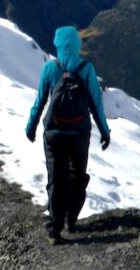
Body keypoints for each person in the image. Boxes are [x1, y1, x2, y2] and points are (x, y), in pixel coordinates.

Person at [24, 25, 111, 240]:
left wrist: (31, 126)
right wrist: (104, 131)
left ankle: (55, 228)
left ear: (58, 45)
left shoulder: (50, 69)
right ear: (77, 45)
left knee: (56, 179)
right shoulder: (86, 69)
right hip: (79, 134)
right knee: (77, 176)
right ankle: (72, 219)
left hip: (53, 133)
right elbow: (96, 104)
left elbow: (40, 101)